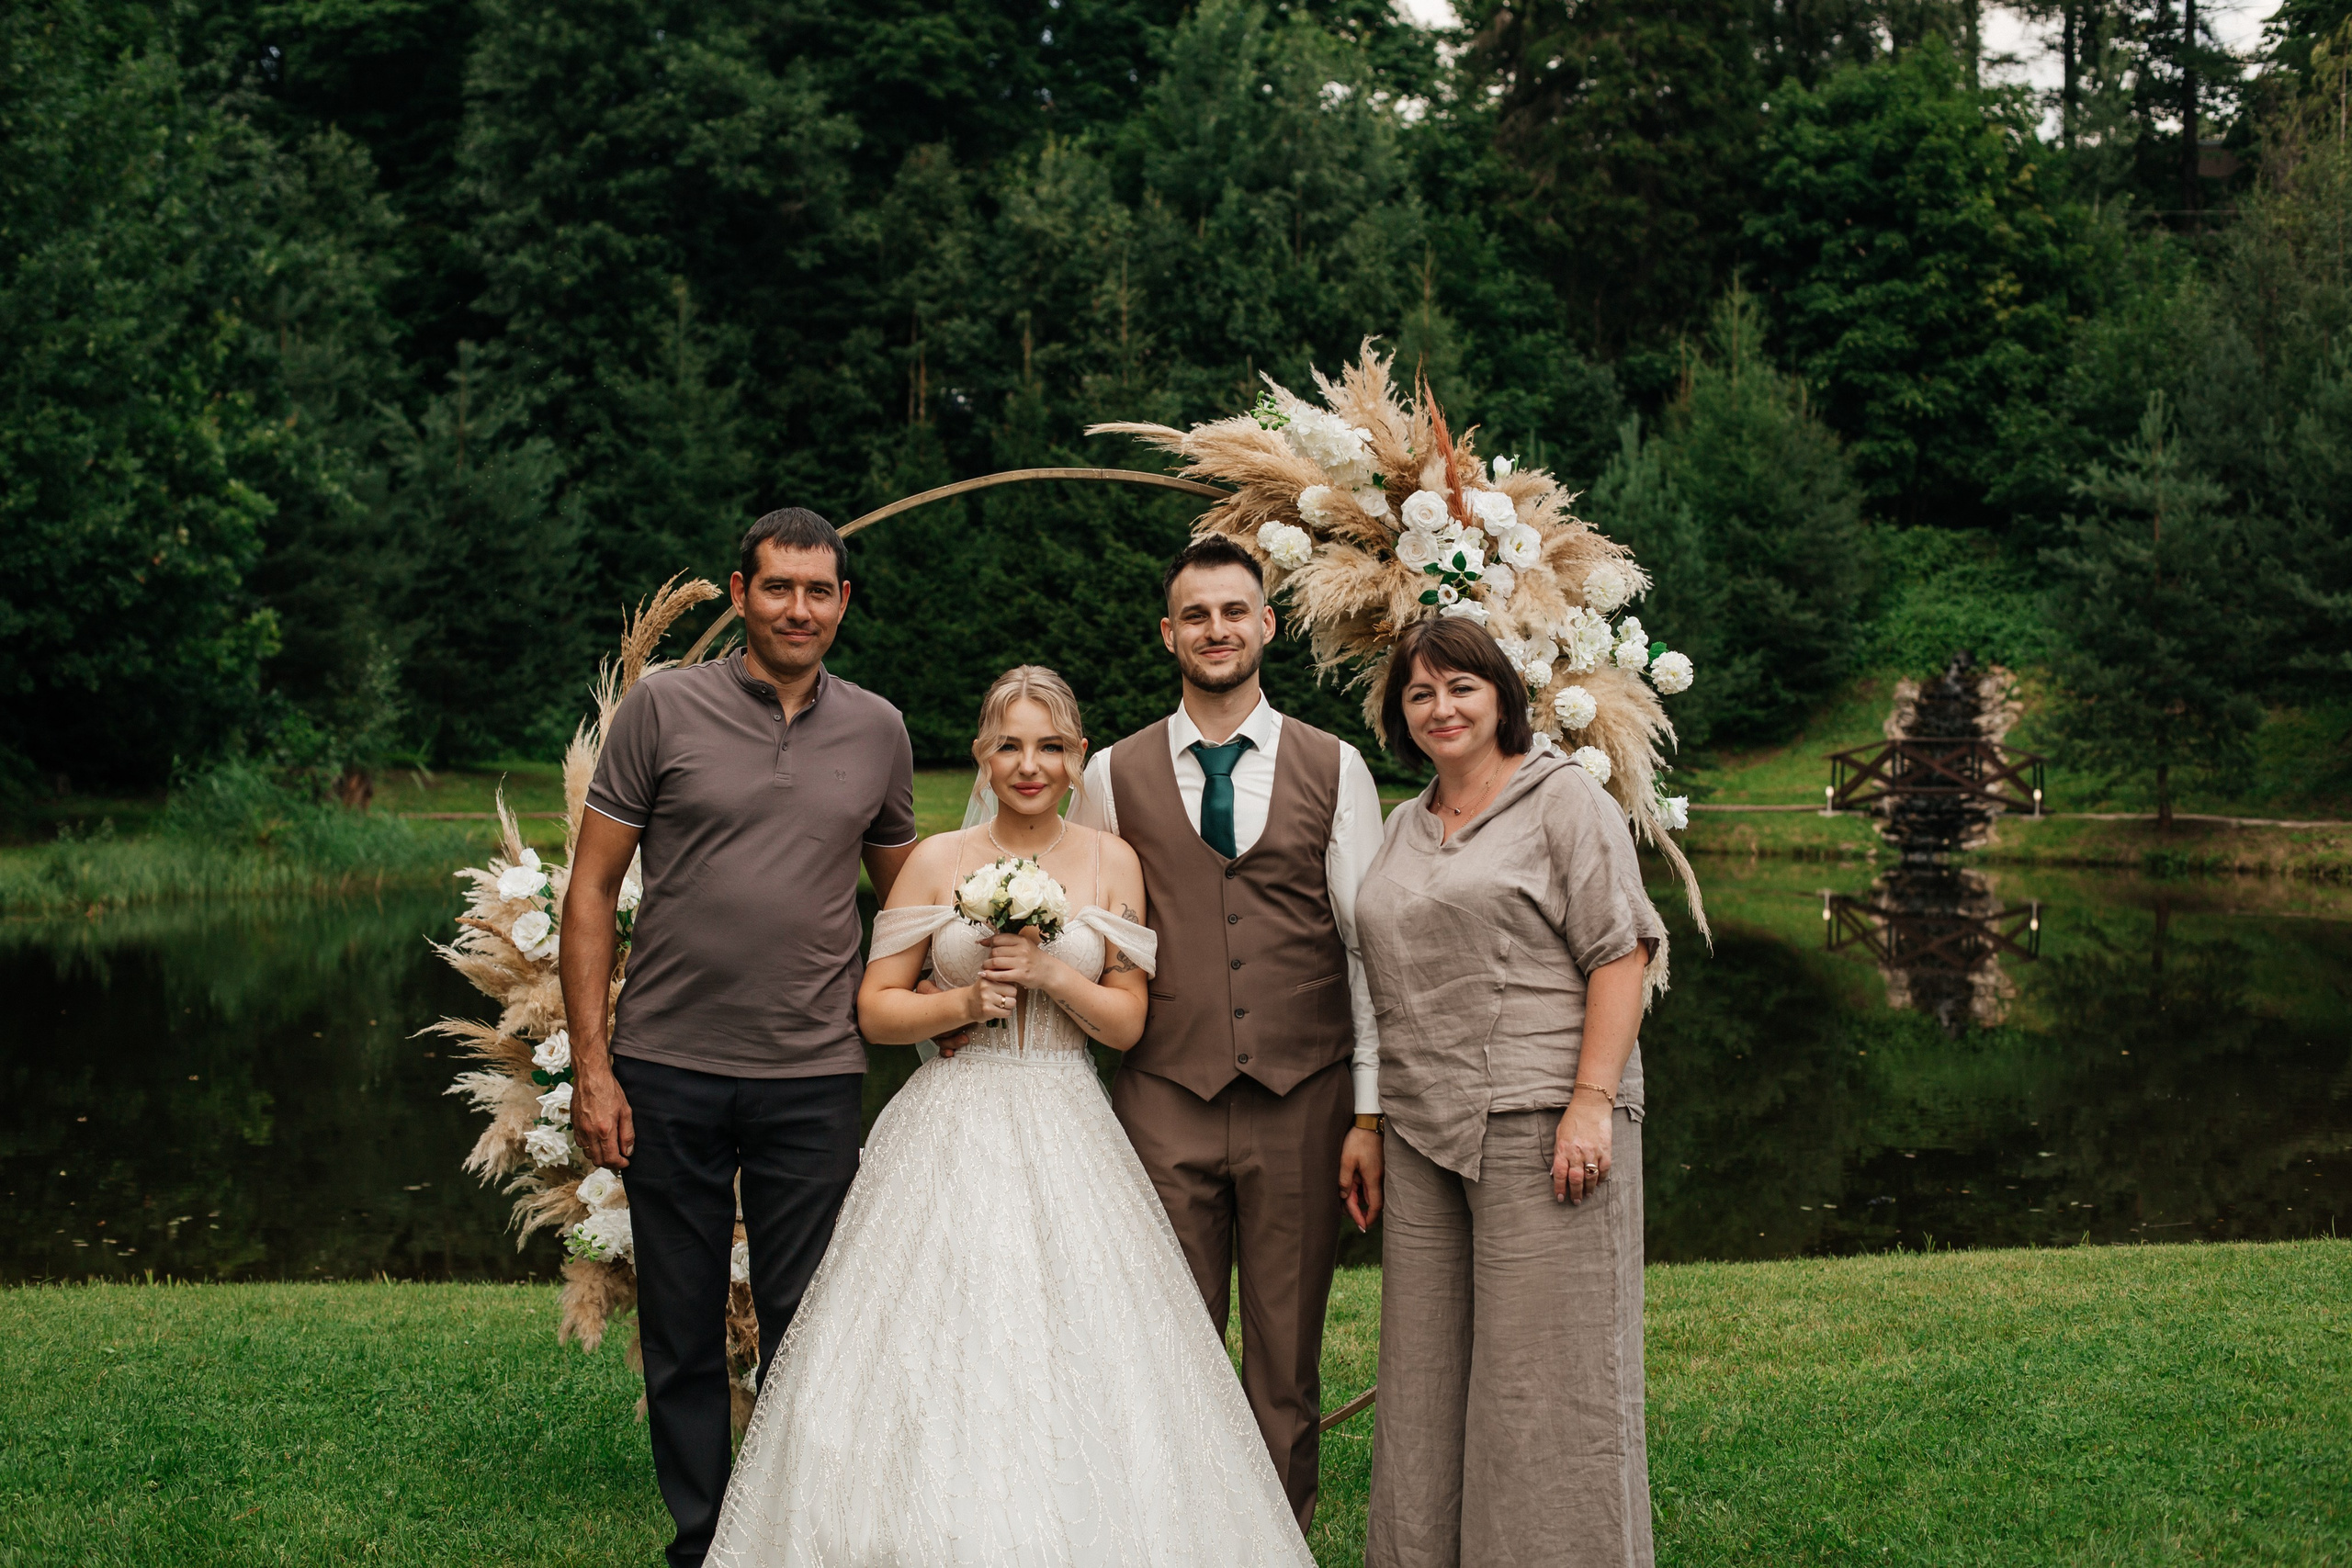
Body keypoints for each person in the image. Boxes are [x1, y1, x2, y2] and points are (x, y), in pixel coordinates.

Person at [705, 666, 1314, 1566]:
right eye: (1010, 746)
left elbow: (1125, 1022)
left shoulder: (1112, 863)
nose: (1029, 764)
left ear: (1076, 760)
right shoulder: (935, 862)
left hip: (1065, 1105)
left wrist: (1049, 974)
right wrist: (963, 1006)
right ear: (984, 757)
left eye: (1050, 747)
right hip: (952, 1111)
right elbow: (877, 1010)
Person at [560, 508, 918, 1568]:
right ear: (740, 592)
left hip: (812, 1074)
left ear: (842, 604)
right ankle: (704, 1542)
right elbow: (590, 892)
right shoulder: (662, 709)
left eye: (819, 591)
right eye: (777, 587)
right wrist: (594, 1067)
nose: (798, 608)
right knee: (679, 1324)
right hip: (667, 1066)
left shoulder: (880, 730)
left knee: (807, 1325)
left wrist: (950, 1021)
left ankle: (792, 1530)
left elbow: (904, 906)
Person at [1069, 535, 1388, 1533]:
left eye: (1234, 611)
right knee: (1163, 1344)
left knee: (1286, 1357)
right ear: (1170, 634)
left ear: (1267, 625)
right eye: (1195, 615)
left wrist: (1368, 1114)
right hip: (1162, 1096)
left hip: (1305, 1099)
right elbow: (1083, 940)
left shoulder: (1336, 767)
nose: (1216, 629)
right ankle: (1167, 1539)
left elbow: (1368, 953)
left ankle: (1276, 1540)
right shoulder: (1110, 778)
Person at [1354, 615, 1665, 1568]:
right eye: (1419, 693)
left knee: (1544, 1382)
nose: (1440, 708)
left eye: (1460, 687)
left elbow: (1622, 949)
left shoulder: (1562, 798)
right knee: (1425, 1383)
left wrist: (1591, 1102)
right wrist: (1369, 1120)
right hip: (1419, 1125)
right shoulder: (1404, 823)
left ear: (1501, 698)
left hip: (1542, 1121)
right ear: (1400, 717)